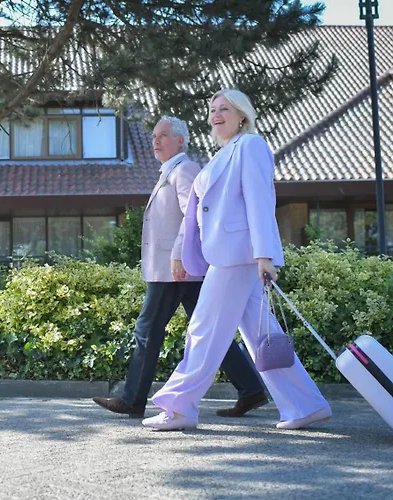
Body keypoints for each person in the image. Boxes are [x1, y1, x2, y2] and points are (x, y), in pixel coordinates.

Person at [142, 90, 332, 431]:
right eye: (213, 110)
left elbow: (260, 200)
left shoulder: (251, 146)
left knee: (203, 329)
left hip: (238, 256)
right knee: (263, 336)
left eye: (224, 109)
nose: (216, 115)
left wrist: (264, 255)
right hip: (228, 254)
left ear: (242, 115)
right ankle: (306, 405)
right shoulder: (224, 153)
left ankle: (180, 407)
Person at [92, 116, 267, 419]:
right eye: (154, 136)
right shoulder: (170, 171)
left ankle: (133, 399)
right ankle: (251, 389)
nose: (156, 141)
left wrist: (177, 256)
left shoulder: (184, 170)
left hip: (175, 271)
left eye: (163, 136)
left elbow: (194, 216)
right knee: (211, 331)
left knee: (147, 329)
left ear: (180, 140)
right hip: (182, 270)